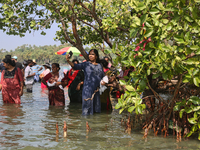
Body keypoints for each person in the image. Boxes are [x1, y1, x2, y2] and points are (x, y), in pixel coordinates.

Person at [66, 49, 104, 115]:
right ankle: (85, 123)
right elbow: (76, 66)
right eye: (90, 54)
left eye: (92, 54)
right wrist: (68, 61)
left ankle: (95, 124)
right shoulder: (86, 64)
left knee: (96, 109)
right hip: (87, 90)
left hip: (96, 90)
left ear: (96, 56)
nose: (90, 56)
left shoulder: (99, 66)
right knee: (86, 109)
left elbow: (102, 76)